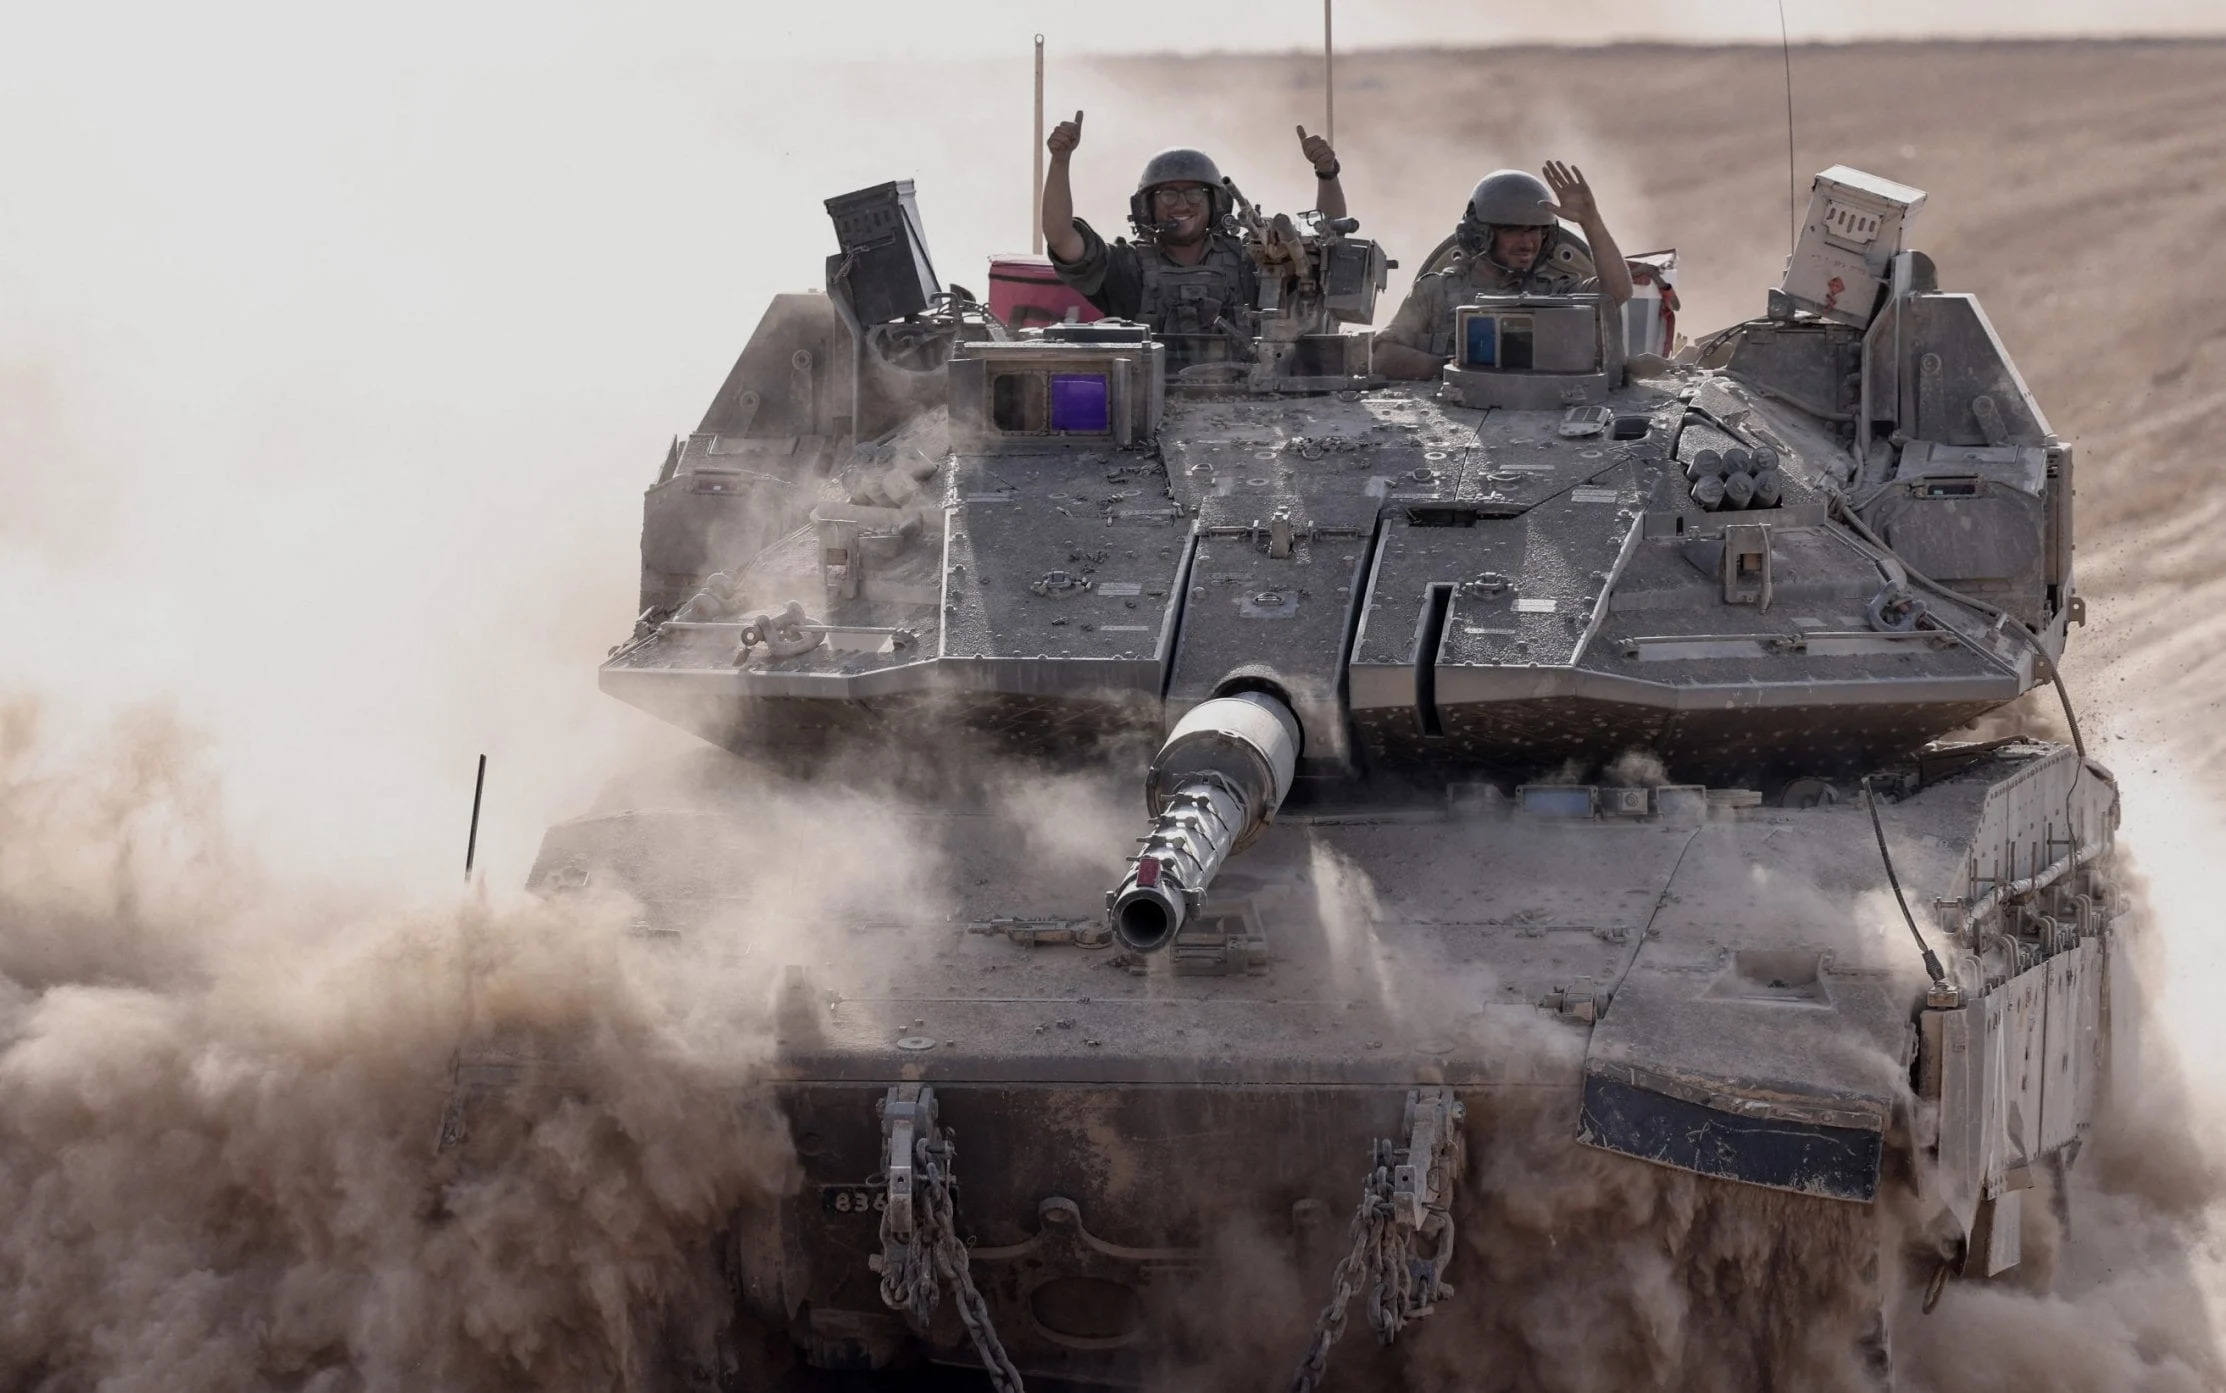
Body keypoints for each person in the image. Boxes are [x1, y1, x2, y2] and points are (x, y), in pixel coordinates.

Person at [1039, 112, 1347, 358]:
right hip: (1145, 404)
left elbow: (1325, 249)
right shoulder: (1126, 267)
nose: (1182, 204)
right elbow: (1061, 238)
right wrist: (1060, 161)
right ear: (1147, 206)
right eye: (1168, 195)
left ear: (1216, 203)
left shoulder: (1249, 261)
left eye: (1195, 194)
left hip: (1250, 403)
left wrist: (1327, 174)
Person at [1373, 162, 1634, 380]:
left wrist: (1591, 221)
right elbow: (1383, 356)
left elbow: (1616, 293)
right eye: (1511, 230)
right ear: (1480, 234)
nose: (1527, 242)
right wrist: (1452, 369)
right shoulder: (1436, 292)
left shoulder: (1555, 293)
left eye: (1534, 230)